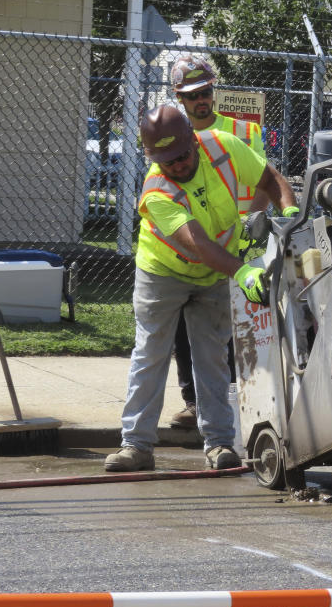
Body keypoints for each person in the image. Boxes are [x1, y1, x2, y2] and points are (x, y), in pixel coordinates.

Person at [104, 105, 298, 472]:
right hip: (163, 272)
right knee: (151, 353)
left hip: (214, 271)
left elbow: (271, 179)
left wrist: (289, 215)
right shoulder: (156, 192)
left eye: (180, 156)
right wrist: (242, 273)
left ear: (194, 141)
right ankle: (137, 446)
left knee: (211, 357)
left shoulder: (223, 147)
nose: (175, 166)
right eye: (165, 160)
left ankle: (220, 445)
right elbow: (198, 244)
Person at [165, 55, 294, 431]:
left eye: (206, 92)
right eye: (192, 95)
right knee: (186, 326)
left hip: (239, 244)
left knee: (239, 325)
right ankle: (194, 403)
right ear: (180, 98)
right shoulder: (171, 138)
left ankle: (241, 396)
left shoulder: (243, 131)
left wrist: (248, 226)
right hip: (194, 245)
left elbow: (264, 181)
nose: (201, 100)